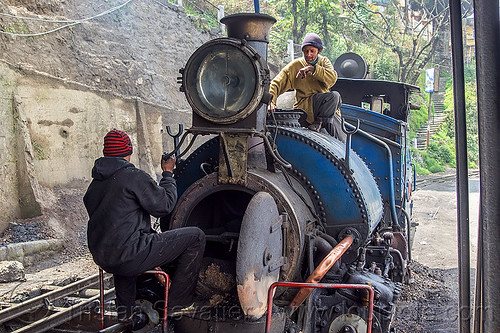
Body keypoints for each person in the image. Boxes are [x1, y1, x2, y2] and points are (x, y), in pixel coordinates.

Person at [84, 129, 205, 327]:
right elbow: (164, 206)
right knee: (196, 237)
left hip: (104, 256)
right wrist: (167, 174)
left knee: (124, 262)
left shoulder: (95, 184)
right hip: (130, 253)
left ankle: (126, 318)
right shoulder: (132, 176)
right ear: (128, 152)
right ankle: (178, 304)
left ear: (106, 153)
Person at [268, 33, 347, 142]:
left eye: (312, 51)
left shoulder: (324, 62)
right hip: (305, 109)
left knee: (335, 97)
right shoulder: (295, 66)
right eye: (306, 51)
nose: (308, 54)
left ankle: (318, 122)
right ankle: (317, 123)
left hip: (324, 109)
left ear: (319, 51)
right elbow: (276, 83)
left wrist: (313, 69)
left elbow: (332, 78)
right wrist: (271, 102)